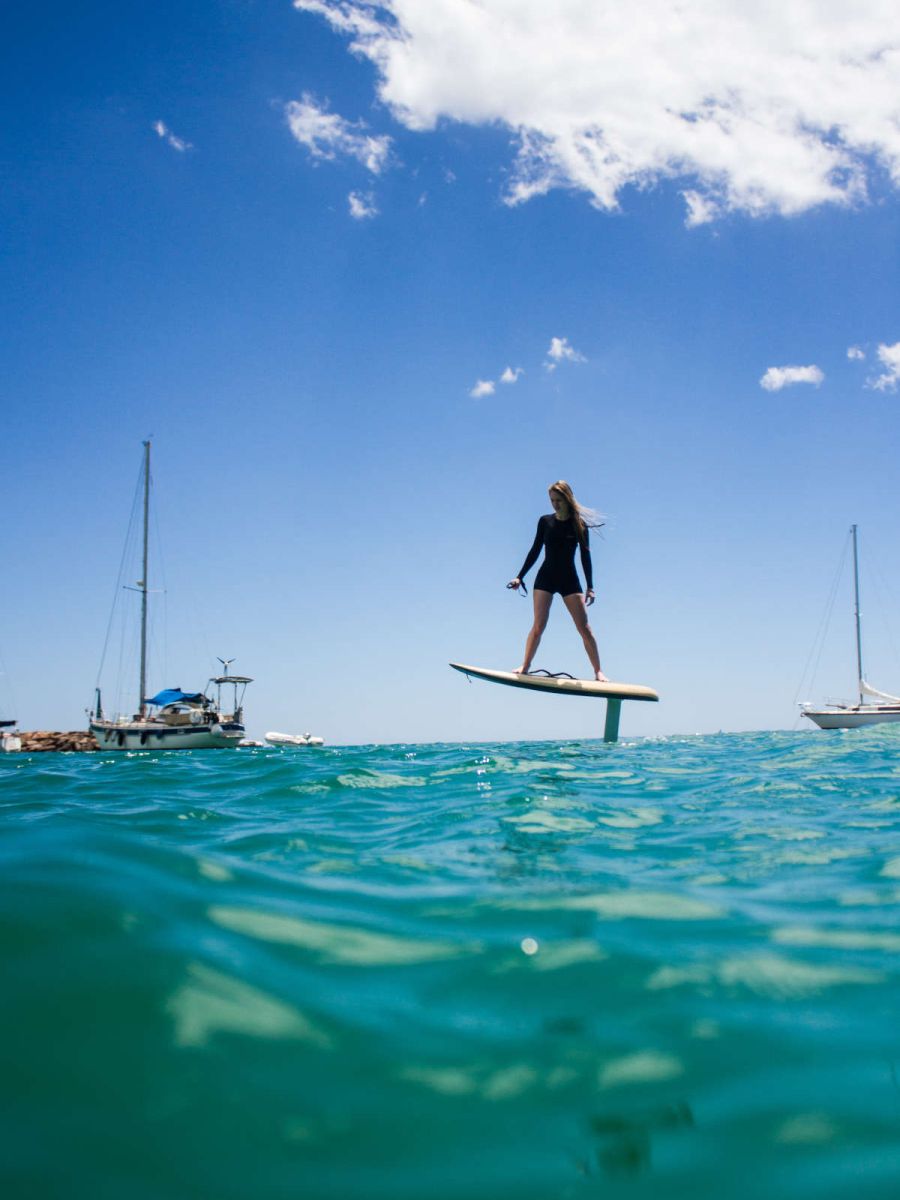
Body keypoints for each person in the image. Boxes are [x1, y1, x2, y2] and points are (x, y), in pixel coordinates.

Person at [507, 480, 607, 681]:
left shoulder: (578, 524)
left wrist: (590, 587)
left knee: (584, 628)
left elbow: (585, 557)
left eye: (559, 500)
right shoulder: (545, 521)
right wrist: (520, 576)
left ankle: (598, 672)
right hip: (546, 577)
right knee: (538, 626)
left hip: (569, 579)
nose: (555, 504)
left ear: (568, 499)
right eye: (552, 500)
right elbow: (535, 550)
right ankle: (525, 665)